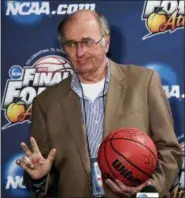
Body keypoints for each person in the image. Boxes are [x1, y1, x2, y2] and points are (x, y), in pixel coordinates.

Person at [16, 10, 182, 198]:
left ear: (106, 42)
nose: (80, 52)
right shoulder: (45, 102)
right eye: (71, 44)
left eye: (87, 42)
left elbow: (169, 150)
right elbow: (41, 167)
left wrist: (147, 191)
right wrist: (38, 179)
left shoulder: (144, 82)